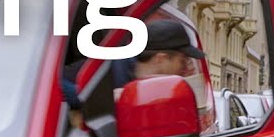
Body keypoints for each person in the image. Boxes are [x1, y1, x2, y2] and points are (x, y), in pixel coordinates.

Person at [61, 19, 205, 109]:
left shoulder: (162, 88)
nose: (185, 68)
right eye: (182, 60)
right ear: (161, 58)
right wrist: (105, 98)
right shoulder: (107, 65)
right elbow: (54, 84)